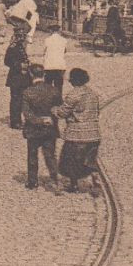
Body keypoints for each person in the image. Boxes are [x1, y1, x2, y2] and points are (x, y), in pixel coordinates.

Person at [56, 67, 103, 196]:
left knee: (70, 160)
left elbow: (62, 113)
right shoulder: (93, 94)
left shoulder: (73, 95)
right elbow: (97, 112)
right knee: (91, 159)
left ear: (73, 81)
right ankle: (96, 184)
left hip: (76, 134)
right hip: (93, 133)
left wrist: (54, 109)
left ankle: (74, 185)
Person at [21, 67, 64, 190]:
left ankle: (32, 182)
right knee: (50, 155)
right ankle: (55, 180)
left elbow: (27, 114)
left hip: (33, 130)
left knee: (32, 155)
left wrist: (39, 120)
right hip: (50, 129)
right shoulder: (54, 91)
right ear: (44, 74)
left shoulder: (27, 92)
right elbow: (60, 109)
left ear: (31, 74)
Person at [4, 29, 33, 129]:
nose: (22, 38)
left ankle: (22, 119)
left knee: (23, 99)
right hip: (15, 77)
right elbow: (7, 61)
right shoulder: (12, 47)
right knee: (16, 100)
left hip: (23, 78)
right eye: (20, 36)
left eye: (23, 35)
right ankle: (15, 122)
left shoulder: (21, 47)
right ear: (17, 36)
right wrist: (20, 65)